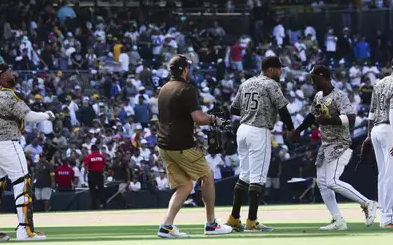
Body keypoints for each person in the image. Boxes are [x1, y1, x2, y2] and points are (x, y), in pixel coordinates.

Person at [156, 55, 232, 238]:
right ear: (184, 70)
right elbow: (199, 118)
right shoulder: (187, 89)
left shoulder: (164, 89)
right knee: (208, 175)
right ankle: (211, 224)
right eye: (188, 68)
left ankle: (166, 226)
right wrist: (215, 119)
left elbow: (180, 117)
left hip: (164, 146)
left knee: (184, 186)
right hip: (180, 145)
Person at [0, 63, 56, 242]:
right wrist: (47, 115)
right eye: (9, 72)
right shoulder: (8, 95)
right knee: (23, 183)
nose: (12, 74)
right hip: (7, 144)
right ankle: (25, 231)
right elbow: (29, 116)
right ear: (2, 76)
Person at [294, 65, 378, 231]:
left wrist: (330, 120)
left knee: (332, 181)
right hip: (326, 144)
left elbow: (351, 117)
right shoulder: (318, 95)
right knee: (323, 183)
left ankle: (368, 203)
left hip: (340, 143)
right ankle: (338, 220)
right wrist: (299, 130)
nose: (312, 81)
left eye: (314, 78)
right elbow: (312, 115)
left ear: (323, 77)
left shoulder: (339, 95)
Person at [226, 56, 294, 232]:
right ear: (270, 69)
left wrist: (251, 110)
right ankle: (252, 221)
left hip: (242, 130)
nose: (280, 72)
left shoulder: (247, 83)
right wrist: (292, 129)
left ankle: (234, 218)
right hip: (259, 130)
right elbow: (283, 109)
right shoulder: (271, 84)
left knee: (245, 176)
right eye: (279, 69)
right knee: (257, 178)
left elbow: (233, 109)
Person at [363, 55, 393, 228]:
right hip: (391, 130)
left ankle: (385, 214)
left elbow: (370, 112)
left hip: (376, 130)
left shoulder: (380, 83)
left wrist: (369, 134)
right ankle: (389, 218)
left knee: (383, 175)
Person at [84, 145, 106, 209]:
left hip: (92, 174)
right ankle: (103, 204)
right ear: (97, 150)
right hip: (99, 174)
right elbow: (104, 165)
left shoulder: (89, 157)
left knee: (92, 191)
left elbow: (86, 167)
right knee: (101, 190)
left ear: (91, 150)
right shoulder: (101, 157)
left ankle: (94, 206)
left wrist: (85, 174)